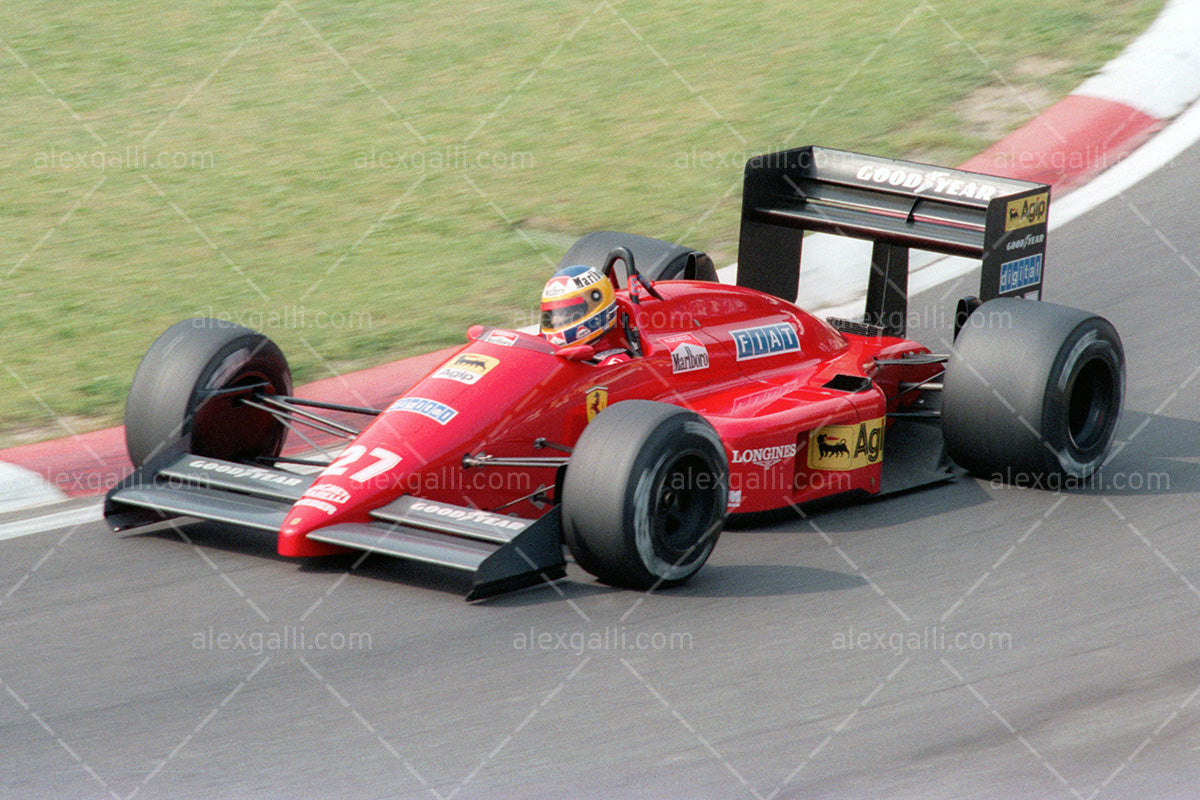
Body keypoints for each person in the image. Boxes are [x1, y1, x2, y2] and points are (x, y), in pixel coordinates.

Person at [539, 264, 631, 364]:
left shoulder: (615, 362)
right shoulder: (543, 349)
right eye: (552, 314)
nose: (555, 320)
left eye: (566, 314)